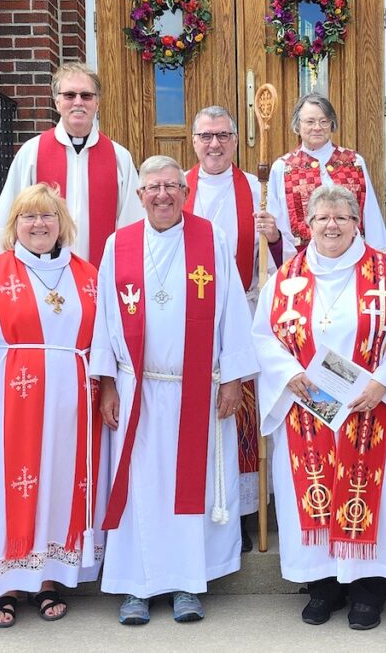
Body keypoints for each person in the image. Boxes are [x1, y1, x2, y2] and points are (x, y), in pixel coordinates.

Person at [252, 184, 386, 630]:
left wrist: (381, 383)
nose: (331, 225)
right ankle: (322, 585)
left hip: (371, 408)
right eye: (322, 217)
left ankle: (369, 590)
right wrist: (286, 372)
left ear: (357, 223)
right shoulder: (284, 279)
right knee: (314, 495)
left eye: (341, 217)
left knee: (377, 493)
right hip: (307, 408)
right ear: (308, 225)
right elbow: (262, 337)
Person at [90, 155, 258, 625]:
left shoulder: (211, 238)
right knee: (139, 486)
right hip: (135, 386)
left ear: (185, 193)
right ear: (140, 195)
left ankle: (188, 583)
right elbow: (105, 317)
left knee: (192, 485)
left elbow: (231, 312)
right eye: (153, 187)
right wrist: (106, 386)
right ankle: (135, 587)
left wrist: (233, 379)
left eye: (171, 186)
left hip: (197, 388)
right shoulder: (118, 245)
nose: (162, 194)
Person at [0, 183, 105, 628]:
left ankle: (49, 579)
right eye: (28, 217)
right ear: (15, 226)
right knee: (3, 489)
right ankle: (4, 585)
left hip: (72, 402)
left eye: (48, 216)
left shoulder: (88, 274)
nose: (39, 224)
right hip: (11, 400)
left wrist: (106, 389)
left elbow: (104, 340)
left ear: (62, 223)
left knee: (58, 484)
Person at [184, 105, 291, 551]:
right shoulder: (177, 188)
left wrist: (275, 237)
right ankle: (198, 504)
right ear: (193, 141)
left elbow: (288, 261)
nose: (214, 144)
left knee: (243, 416)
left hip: (243, 314)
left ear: (234, 141)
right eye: (206, 136)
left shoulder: (257, 189)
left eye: (223, 136)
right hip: (186, 320)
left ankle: (246, 512)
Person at [0, 62, 143, 270]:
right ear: (57, 102)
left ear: (97, 103)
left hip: (100, 277)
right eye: (70, 95)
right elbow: (8, 216)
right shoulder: (32, 152)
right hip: (42, 278)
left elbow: (132, 224)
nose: (78, 102)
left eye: (86, 96)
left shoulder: (119, 157)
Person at [267, 92, 386, 252]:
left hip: (351, 256)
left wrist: (377, 257)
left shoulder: (354, 162)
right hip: (303, 260)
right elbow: (277, 223)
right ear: (298, 125)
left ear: (332, 124)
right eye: (310, 122)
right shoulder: (283, 168)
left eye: (323, 121)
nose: (317, 127)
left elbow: (370, 214)